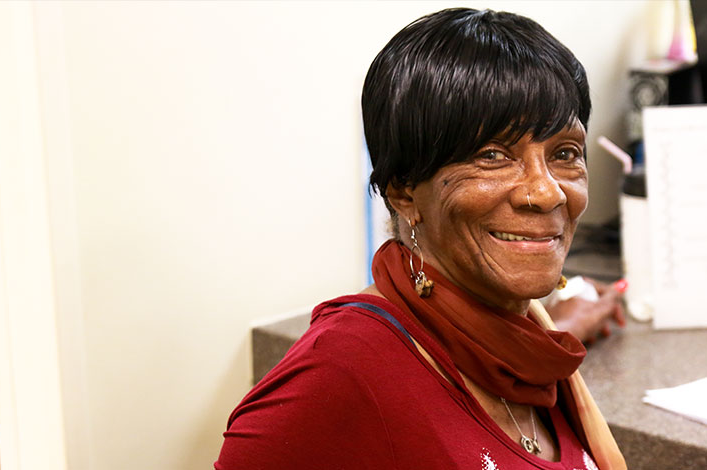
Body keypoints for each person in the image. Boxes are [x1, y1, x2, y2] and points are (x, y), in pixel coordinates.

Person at [216, 8, 626, 470]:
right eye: (492, 154)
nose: (547, 191)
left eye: (565, 153)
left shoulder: (528, 352)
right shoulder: (337, 374)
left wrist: (559, 326)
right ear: (404, 190)